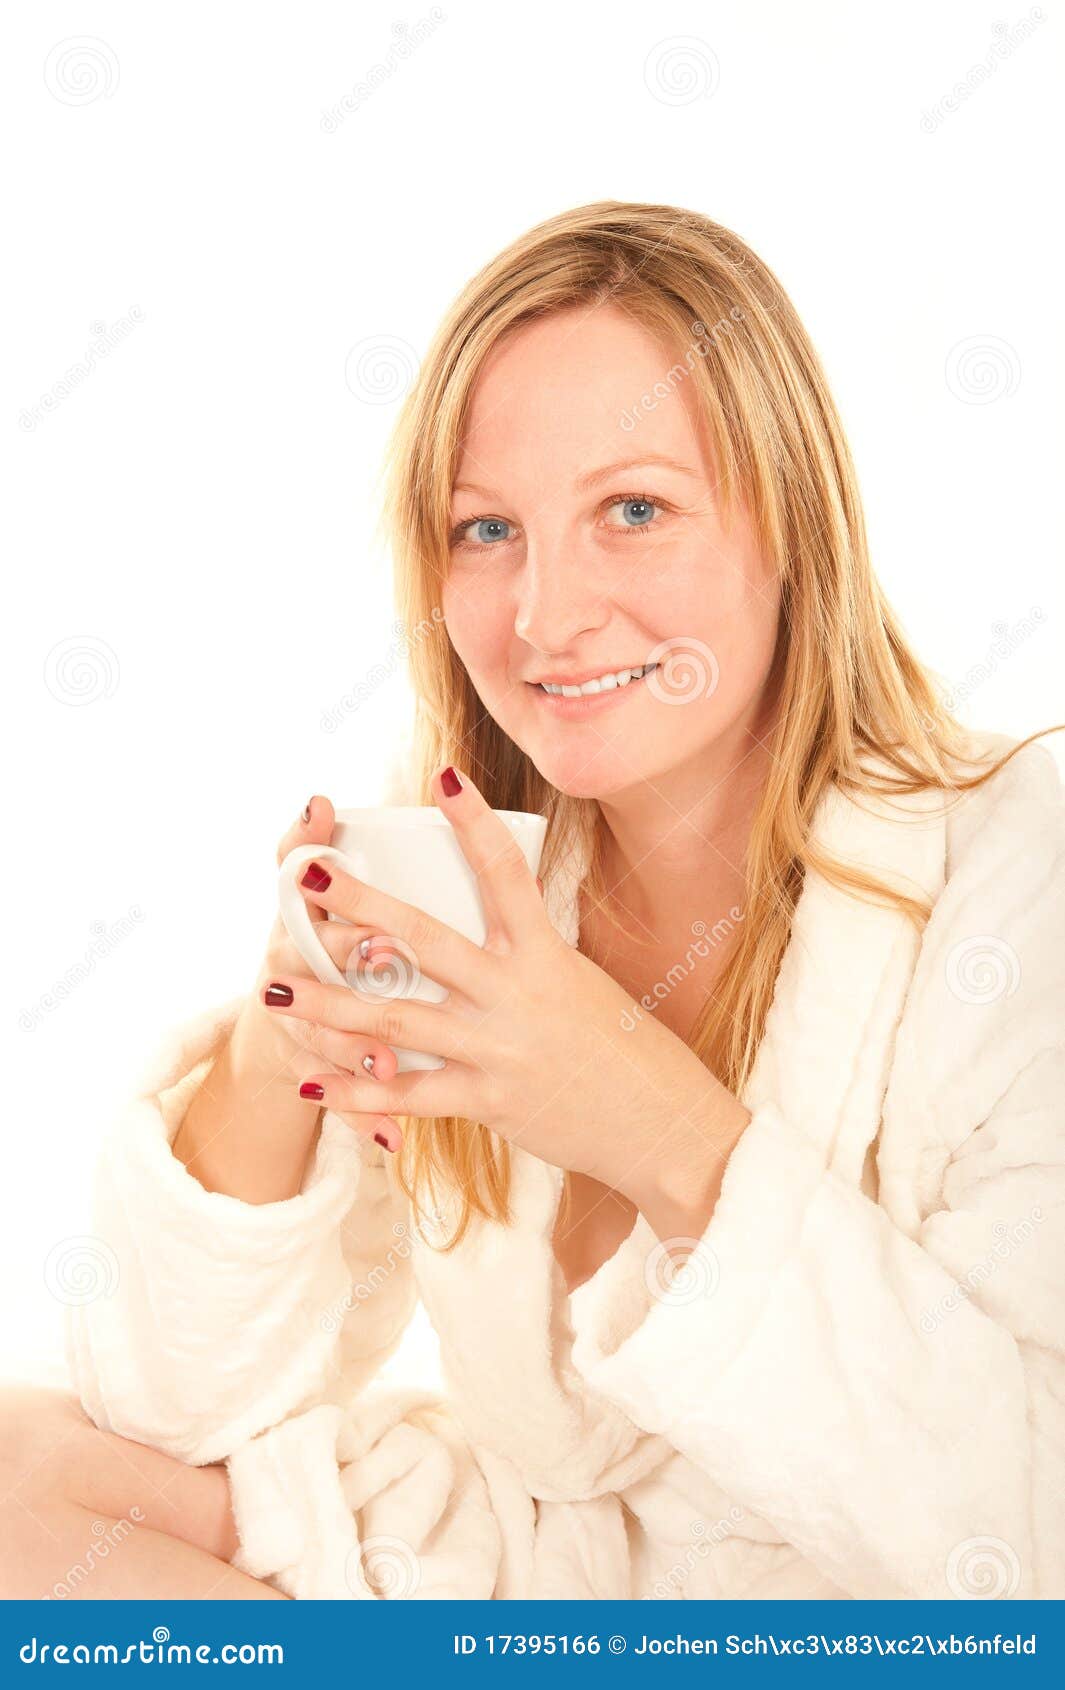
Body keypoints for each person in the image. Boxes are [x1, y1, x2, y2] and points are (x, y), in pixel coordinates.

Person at [3, 201, 1062, 1602]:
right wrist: (282, 1055)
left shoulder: (1017, 874)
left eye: (632, 510)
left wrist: (641, 1116)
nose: (544, 613)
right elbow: (172, 1407)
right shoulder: (470, 881)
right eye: (486, 528)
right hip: (557, 1594)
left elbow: (1023, 1543)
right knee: (32, 1475)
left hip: (856, 1620)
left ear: (791, 523)